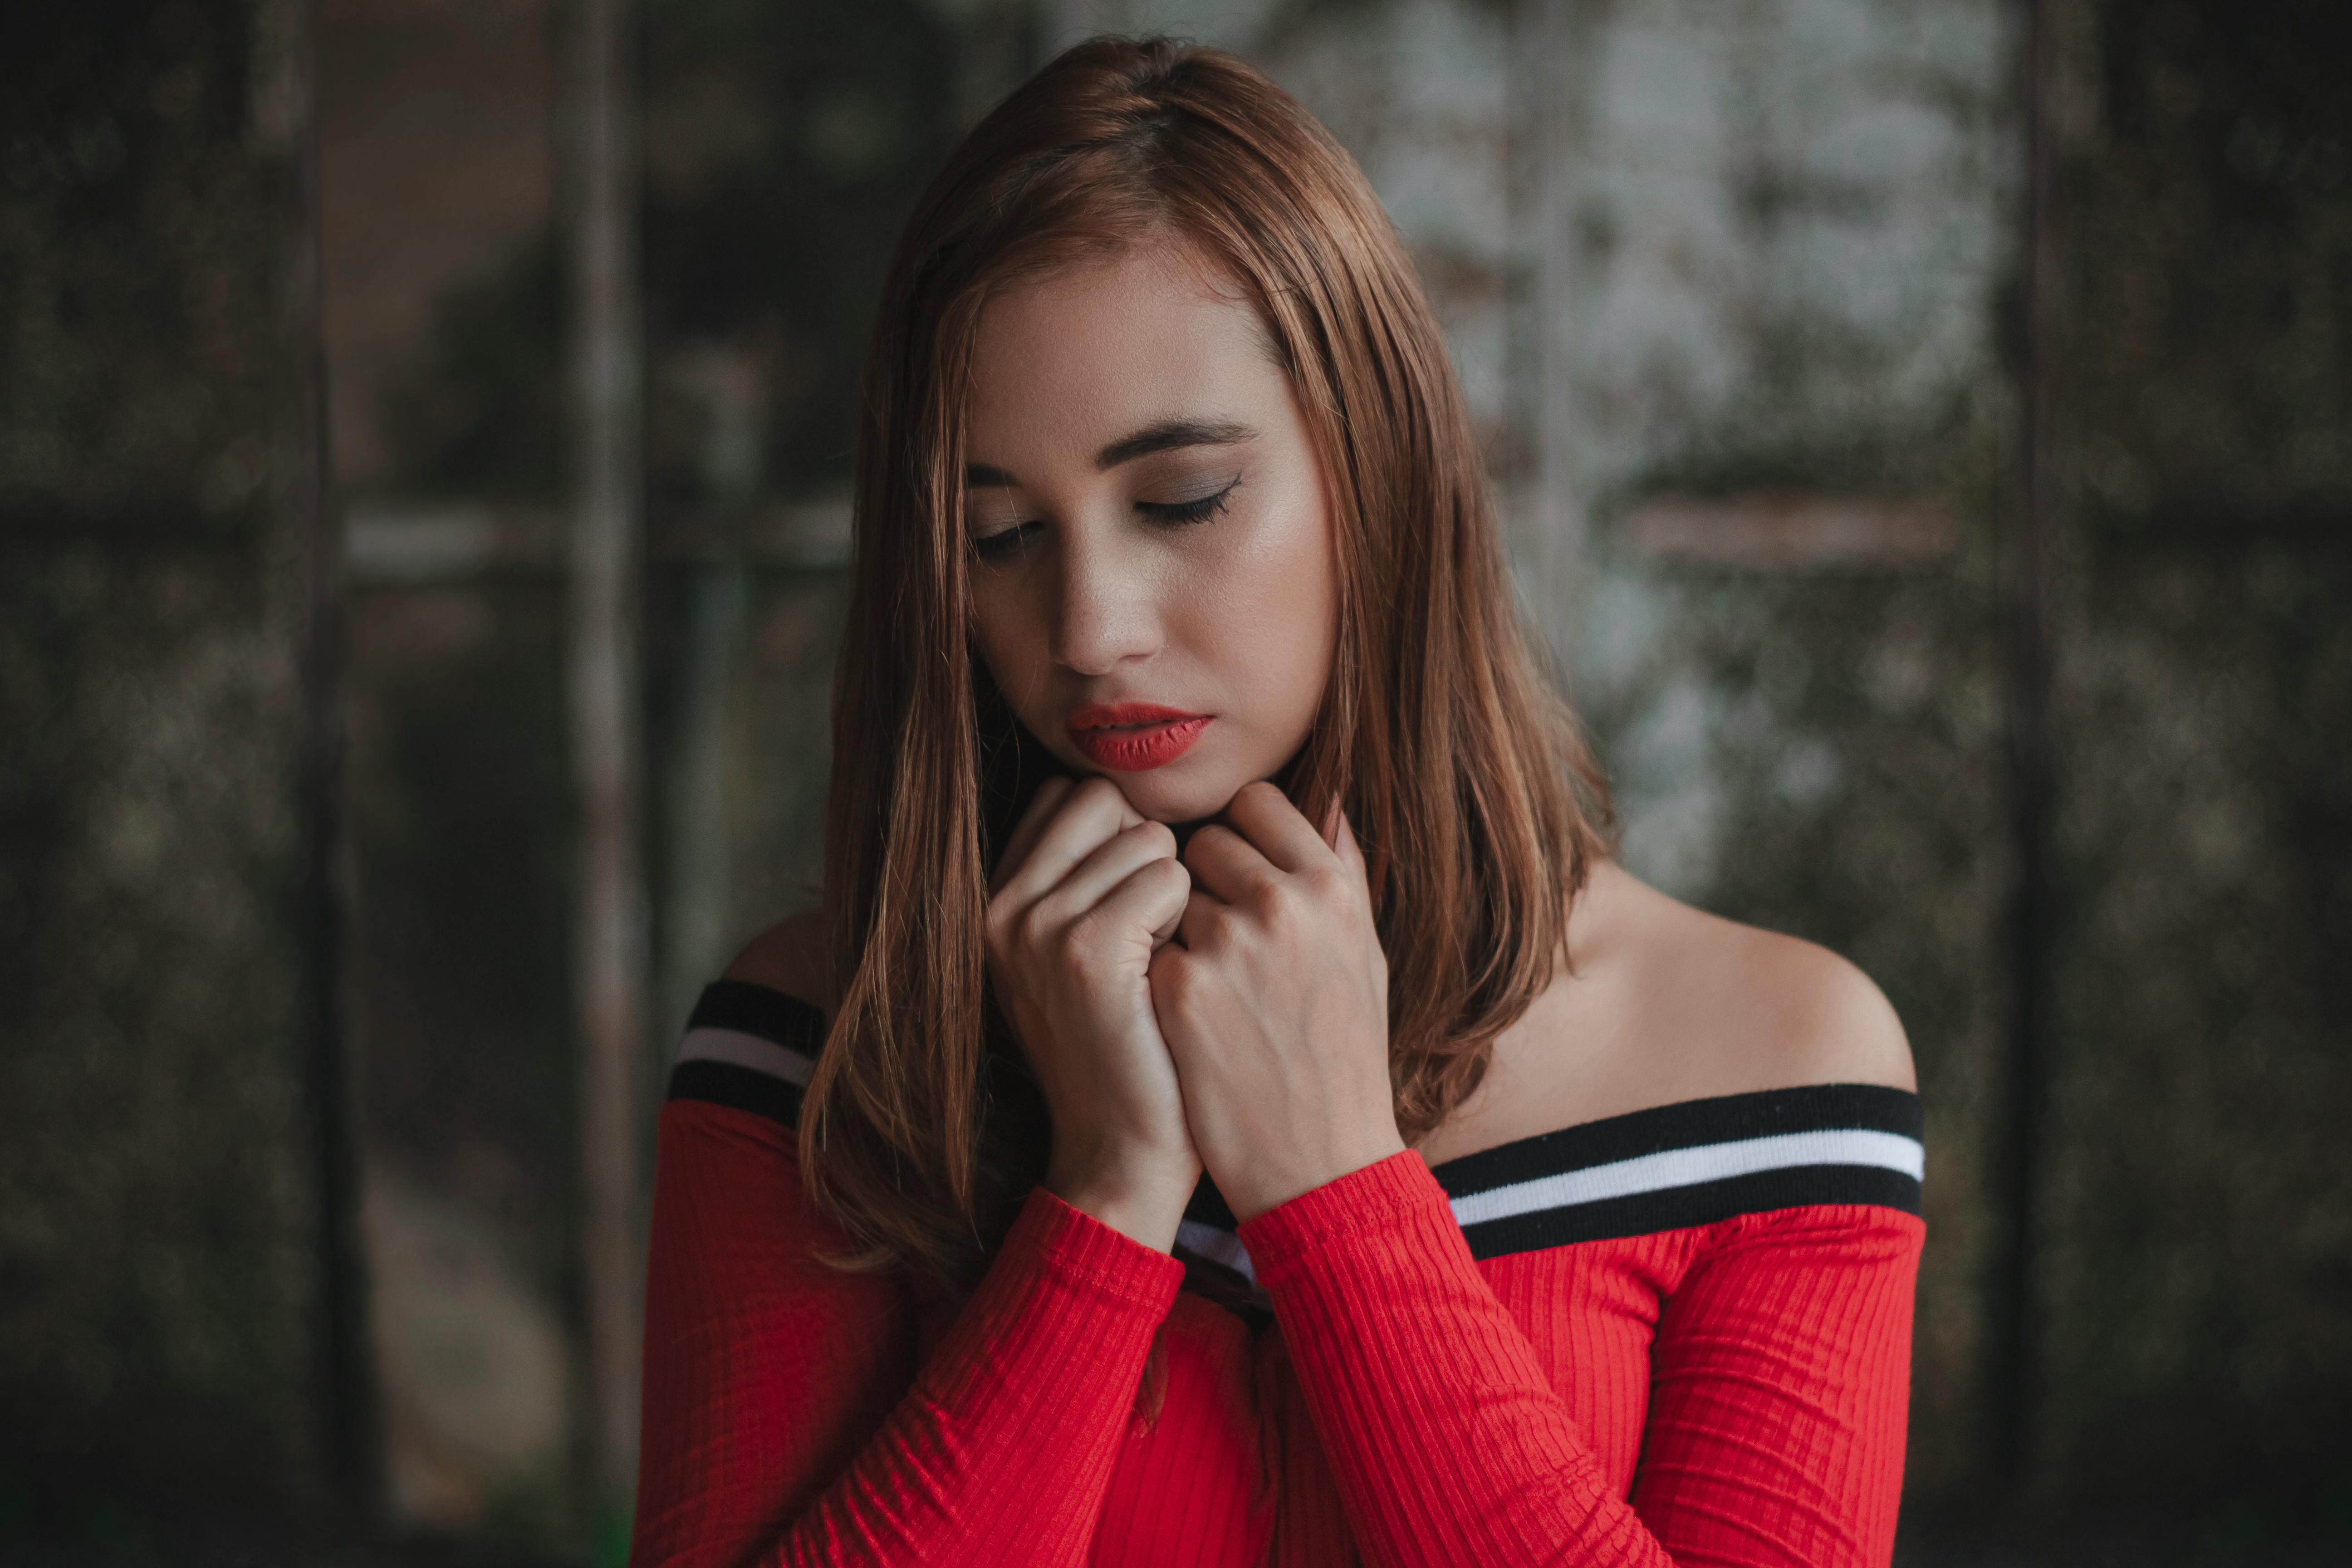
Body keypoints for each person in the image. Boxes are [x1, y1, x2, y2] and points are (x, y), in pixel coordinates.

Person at [631, 35, 1922, 1568]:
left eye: (1180, 501)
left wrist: (1335, 1187)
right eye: (996, 534)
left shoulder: (1774, 1057)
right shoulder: (819, 1044)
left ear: (1379, 471)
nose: (1092, 627)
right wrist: (1104, 1201)